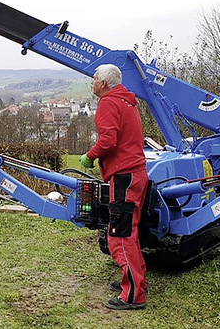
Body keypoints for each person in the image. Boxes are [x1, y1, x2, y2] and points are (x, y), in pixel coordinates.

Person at [80, 64, 148, 311]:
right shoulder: (127, 102)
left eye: (94, 79)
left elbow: (108, 140)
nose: (92, 83)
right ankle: (136, 280)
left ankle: (133, 295)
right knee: (131, 229)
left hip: (123, 176)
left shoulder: (109, 103)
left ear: (104, 83)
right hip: (137, 174)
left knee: (119, 234)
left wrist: (90, 155)